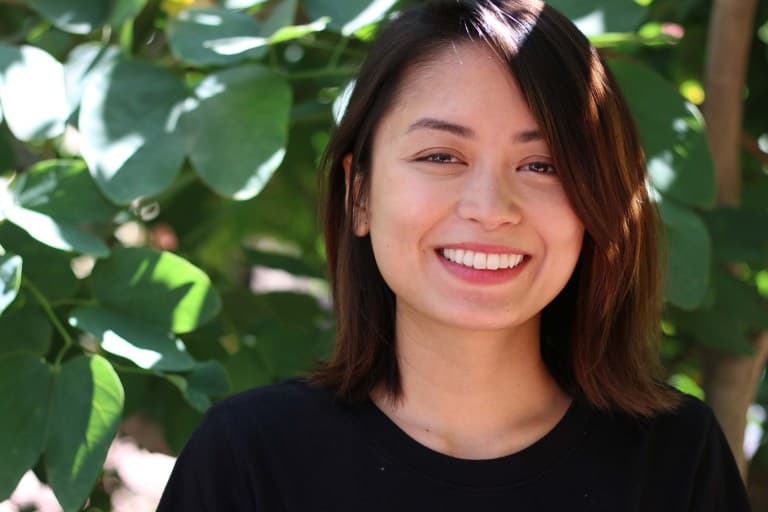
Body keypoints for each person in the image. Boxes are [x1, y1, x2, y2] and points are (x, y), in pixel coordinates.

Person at [157, 0, 752, 510]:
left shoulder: (674, 458)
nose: (491, 207)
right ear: (359, 194)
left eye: (542, 165)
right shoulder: (248, 460)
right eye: (441, 156)